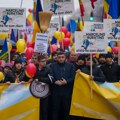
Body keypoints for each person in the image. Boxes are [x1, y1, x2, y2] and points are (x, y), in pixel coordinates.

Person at [51, 52, 75, 120]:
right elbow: (50, 76)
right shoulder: (52, 66)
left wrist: (66, 81)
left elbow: (73, 77)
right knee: (55, 110)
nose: (61, 59)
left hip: (66, 92)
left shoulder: (71, 66)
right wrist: (55, 81)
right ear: (57, 58)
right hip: (56, 91)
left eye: (62, 57)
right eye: (59, 57)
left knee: (67, 110)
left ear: (65, 58)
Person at [34, 54, 53, 120]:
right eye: (42, 61)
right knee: (36, 110)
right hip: (34, 93)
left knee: (44, 110)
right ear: (38, 62)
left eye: (45, 61)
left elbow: (51, 80)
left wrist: (39, 79)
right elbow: (29, 77)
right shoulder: (34, 68)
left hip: (45, 93)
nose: (44, 62)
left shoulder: (48, 69)